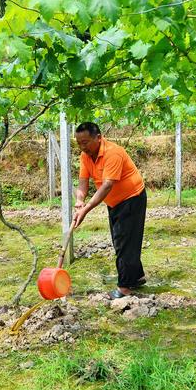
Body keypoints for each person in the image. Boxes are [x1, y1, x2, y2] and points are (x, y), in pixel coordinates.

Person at [72, 122, 147, 299]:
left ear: (98, 138)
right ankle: (137, 276)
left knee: (124, 242)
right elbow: (83, 181)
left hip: (131, 198)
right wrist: (79, 201)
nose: (82, 147)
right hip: (114, 203)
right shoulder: (85, 156)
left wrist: (87, 209)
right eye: (79, 143)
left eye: (85, 142)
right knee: (121, 240)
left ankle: (124, 288)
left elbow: (107, 186)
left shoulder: (113, 152)